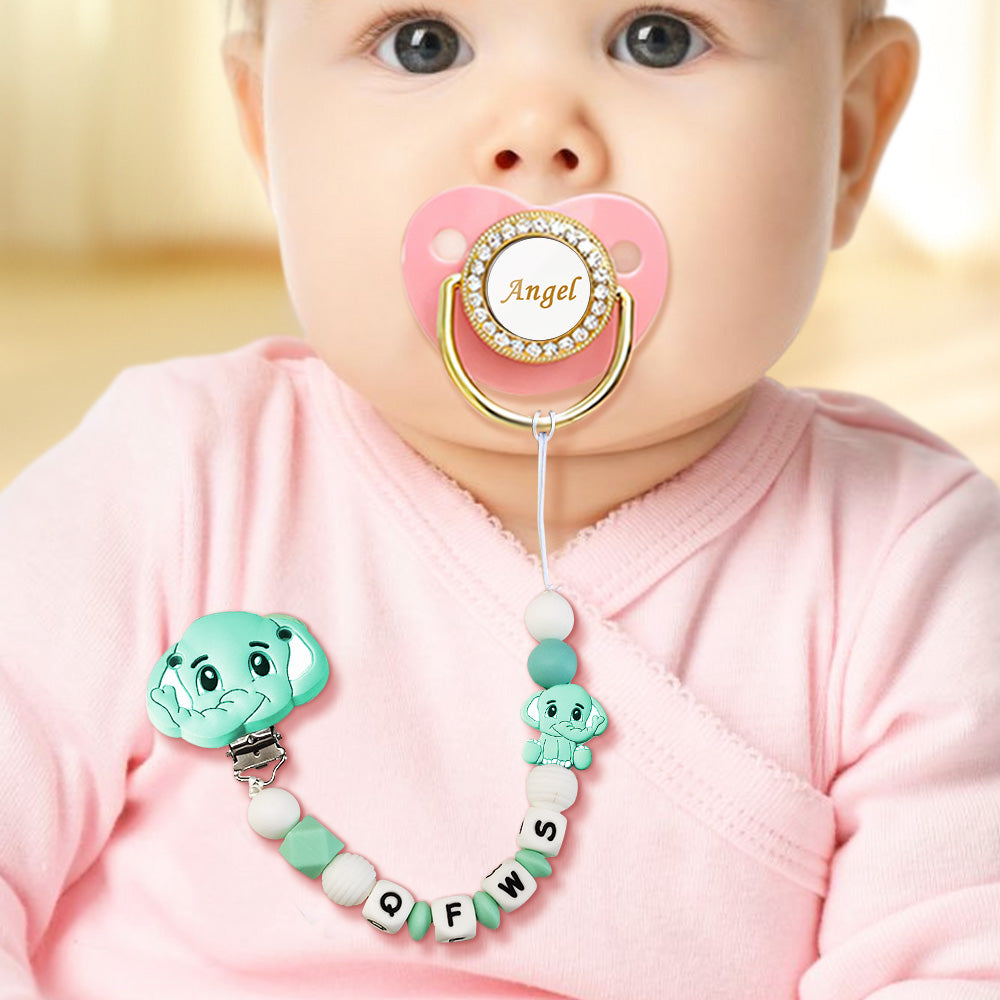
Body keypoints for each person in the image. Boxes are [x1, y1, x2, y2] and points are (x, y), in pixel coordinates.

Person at [1, 0, 998, 996]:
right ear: (267, 132)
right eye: (421, 44)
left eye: (659, 37)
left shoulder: (915, 573)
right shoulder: (174, 477)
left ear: (850, 137)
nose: (534, 131)